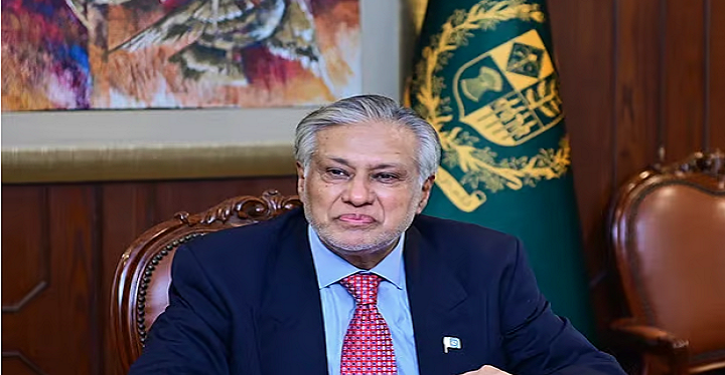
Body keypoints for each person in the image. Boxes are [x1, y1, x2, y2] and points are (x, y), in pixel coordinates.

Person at [129, 94, 626, 375]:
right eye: (337, 173)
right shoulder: (223, 269)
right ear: (303, 180)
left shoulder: (485, 261)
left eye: (385, 176)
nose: (358, 196)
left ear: (423, 192)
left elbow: (592, 370)